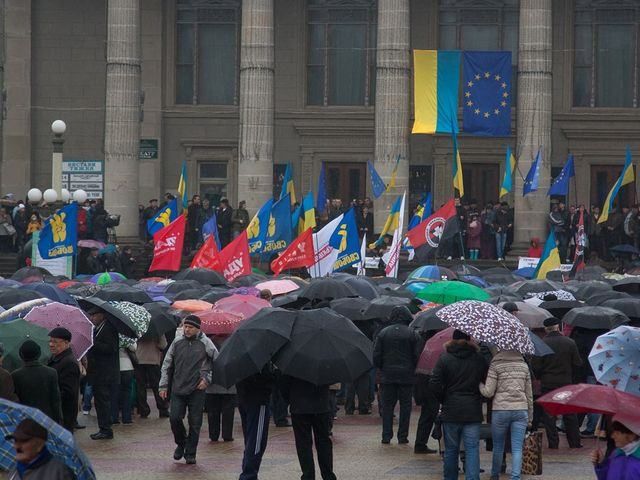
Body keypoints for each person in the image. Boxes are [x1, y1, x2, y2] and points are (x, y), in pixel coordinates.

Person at [430, 330, 489, 480]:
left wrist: (444, 398)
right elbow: (485, 381)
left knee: (451, 450)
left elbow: (434, 383)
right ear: (469, 339)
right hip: (472, 410)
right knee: (472, 449)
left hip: (451, 410)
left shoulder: (445, 358)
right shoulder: (479, 358)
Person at [159, 315, 217, 465]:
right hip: (178, 387)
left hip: (197, 389)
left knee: (195, 422)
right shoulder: (177, 342)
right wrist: (163, 385)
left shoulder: (206, 343)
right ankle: (181, 442)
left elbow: (217, 362)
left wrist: (207, 379)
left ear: (198, 328)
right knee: (175, 418)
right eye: (185, 326)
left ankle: (191, 453)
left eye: (190, 327)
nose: (187, 330)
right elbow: (167, 364)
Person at [479, 349, 534, 480]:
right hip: (521, 410)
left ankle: (495, 474)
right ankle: (515, 477)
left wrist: (480, 385)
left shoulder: (496, 364)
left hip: (500, 410)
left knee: (498, 446)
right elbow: (529, 395)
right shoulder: (524, 365)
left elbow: (488, 392)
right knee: (517, 448)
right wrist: (530, 416)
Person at [531, 317, 583, 449]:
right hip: (566, 382)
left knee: (549, 415)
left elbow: (536, 367)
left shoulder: (541, 344)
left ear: (546, 329)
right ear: (558, 327)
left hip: (548, 383)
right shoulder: (570, 342)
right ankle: (574, 442)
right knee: (569, 413)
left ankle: (553, 443)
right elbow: (578, 364)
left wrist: (541, 376)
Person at [373, 306, 420, 444]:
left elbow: (376, 355)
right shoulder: (413, 333)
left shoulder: (383, 333)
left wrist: (382, 367)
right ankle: (402, 436)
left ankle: (386, 436)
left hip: (387, 375)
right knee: (406, 407)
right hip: (407, 375)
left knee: (387, 406)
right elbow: (417, 355)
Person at [281, 375, 337, 480]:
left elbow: (283, 383)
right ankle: (328, 475)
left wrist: (291, 398)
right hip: (321, 403)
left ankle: (308, 475)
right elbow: (332, 378)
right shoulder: (325, 358)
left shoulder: (292, 361)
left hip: (299, 405)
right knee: (324, 442)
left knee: (303, 444)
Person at [84, 305, 120, 440]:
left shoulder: (109, 329)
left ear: (102, 315)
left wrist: (93, 344)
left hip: (105, 373)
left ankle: (106, 429)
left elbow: (111, 348)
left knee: (103, 401)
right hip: (97, 372)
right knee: (99, 401)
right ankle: (103, 427)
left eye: (94, 315)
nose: (92, 318)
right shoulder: (97, 329)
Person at [237, 365, 274, 480]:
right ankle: (249, 474)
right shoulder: (261, 360)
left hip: (244, 398)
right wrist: (275, 376)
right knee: (256, 441)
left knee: (250, 439)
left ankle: (248, 471)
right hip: (258, 400)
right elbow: (264, 380)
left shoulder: (241, 355)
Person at [11, 340, 62, 424]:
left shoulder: (15, 375)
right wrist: (58, 422)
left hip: (25, 420)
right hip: (46, 419)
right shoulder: (51, 373)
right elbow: (55, 401)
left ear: (21, 355)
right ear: (39, 354)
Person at [5, 419, 75, 479]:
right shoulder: (14, 471)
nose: (16, 446)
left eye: (23, 441)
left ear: (40, 444)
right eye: (15, 440)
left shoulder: (60, 473)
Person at [47, 328, 80, 433]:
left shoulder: (69, 362)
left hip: (64, 414)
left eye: (55, 342)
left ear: (66, 343)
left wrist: (52, 400)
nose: (51, 344)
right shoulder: (54, 358)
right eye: (50, 341)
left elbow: (68, 392)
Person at [205, 336, 236, 442]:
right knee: (228, 411)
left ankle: (213, 434)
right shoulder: (234, 341)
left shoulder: (207, 342)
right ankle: (227, 434)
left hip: (212, 383)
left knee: (213, 411)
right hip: (229, 383)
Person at [134, 334, 169, 418]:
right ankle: (162, 409)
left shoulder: (139, 327)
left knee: (140, 386)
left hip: (140, 359)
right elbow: (163, 345)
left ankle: (143, 410)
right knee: (156, 386)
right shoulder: (158, 330)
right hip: (153, 360)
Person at [111, 341, 137, 425]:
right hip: (127, 366)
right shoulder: (126, 335)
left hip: (114, 367)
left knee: (114, 393)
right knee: (126, 393)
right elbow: (134, 348)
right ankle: (127, 418)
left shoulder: (111, 333)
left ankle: (114, 418)